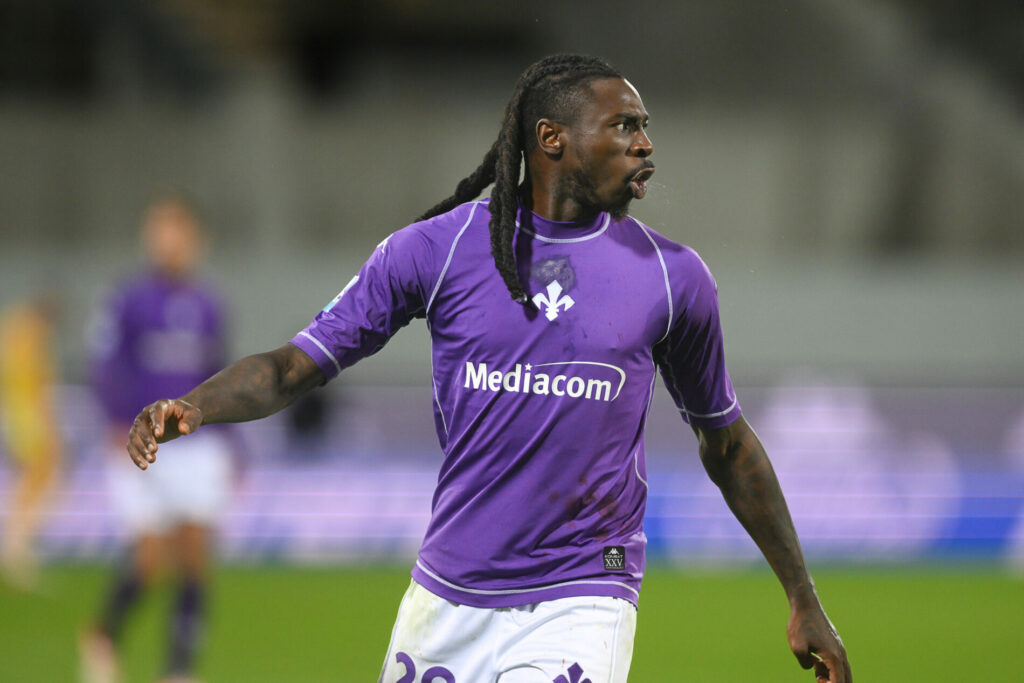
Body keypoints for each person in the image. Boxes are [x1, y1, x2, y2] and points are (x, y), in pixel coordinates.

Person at [125, 55, 851, 682]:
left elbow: (727, 444)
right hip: (446, 595)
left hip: (582, 596)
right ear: (552, 139)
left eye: (645, 125)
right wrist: (195, 405)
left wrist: (802, 596)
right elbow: (294, 366)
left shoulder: (672, 278)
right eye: (624, 125)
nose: (645, 143)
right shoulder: (437, 250)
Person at [80, 194, 235, 683]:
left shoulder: (208, 305)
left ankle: (178, 669)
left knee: (195, 555)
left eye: (177, 230)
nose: (168, 240)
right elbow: (105, 364)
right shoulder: (127, 299)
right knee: (150, 557)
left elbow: (220, 378)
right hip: (142, 441)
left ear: (195, 239)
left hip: (196, 444)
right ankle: (103, 633)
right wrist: (114, 419)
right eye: (160, 229)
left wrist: (233, 444)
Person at [0, 290, 62, 589]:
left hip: (16, 413)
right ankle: (17, 545)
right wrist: (48, 423)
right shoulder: (30, 336)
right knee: (41, 477)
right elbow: (39, 385)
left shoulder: (13, 329)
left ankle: (17, 543)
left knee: (35, 479)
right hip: (27, 416)